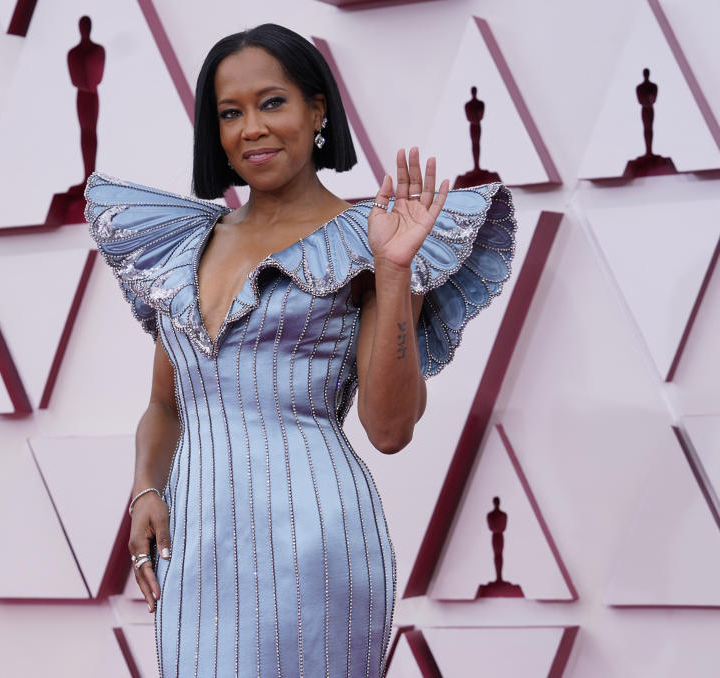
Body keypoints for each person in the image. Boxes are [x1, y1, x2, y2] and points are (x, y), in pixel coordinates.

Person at [85, 23, 516, 678]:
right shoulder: (181, 244)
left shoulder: (374, 238)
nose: (250, 127)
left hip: (312, 536)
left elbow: (390, 428)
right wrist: (146, 489)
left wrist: (395, 273)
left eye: (272, 102)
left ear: (317, 109)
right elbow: (165, 406)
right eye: (230, 112)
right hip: (197, 542)